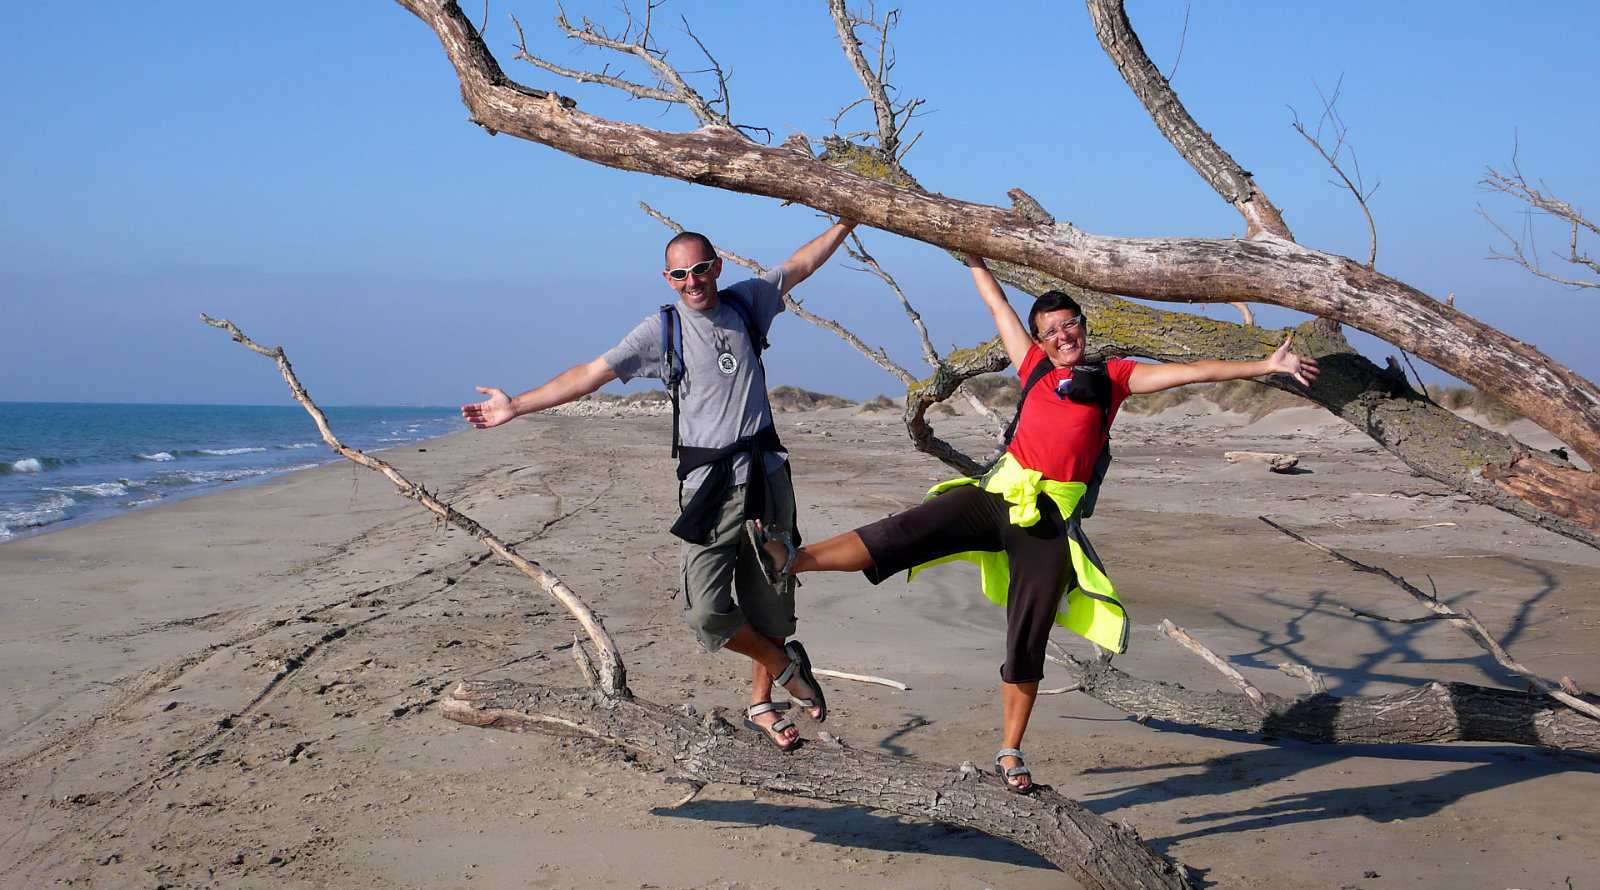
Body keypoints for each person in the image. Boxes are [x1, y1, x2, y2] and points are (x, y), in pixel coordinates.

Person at [752, 254, 1318, 790]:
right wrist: (971, 256)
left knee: (1029, 631)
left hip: (1047, 521)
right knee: (903, 531)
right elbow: (998, 306)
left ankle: (1010, 750)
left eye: (1069, 325)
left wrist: (1266, 364)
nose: (1062, 336)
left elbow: (1189, 374)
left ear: (1083, 327)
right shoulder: (1032, 369)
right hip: (998, 493)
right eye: (1050, 331)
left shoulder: (1113, 378)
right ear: (1040, 339)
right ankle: (790, 560)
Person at [462, 218, 858, 754]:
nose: (692, 281)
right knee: (704, 611)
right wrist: (517, 406)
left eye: (699, 269)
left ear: (717, 267)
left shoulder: (747, 303)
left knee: (771, 601)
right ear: (667, 278)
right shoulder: (661, 330)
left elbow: (801, 263)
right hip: (708, 488)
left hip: (766, 476)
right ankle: (785, 665)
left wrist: (849, 218)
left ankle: (763, 703)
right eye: (679, 274)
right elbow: (588, 374)